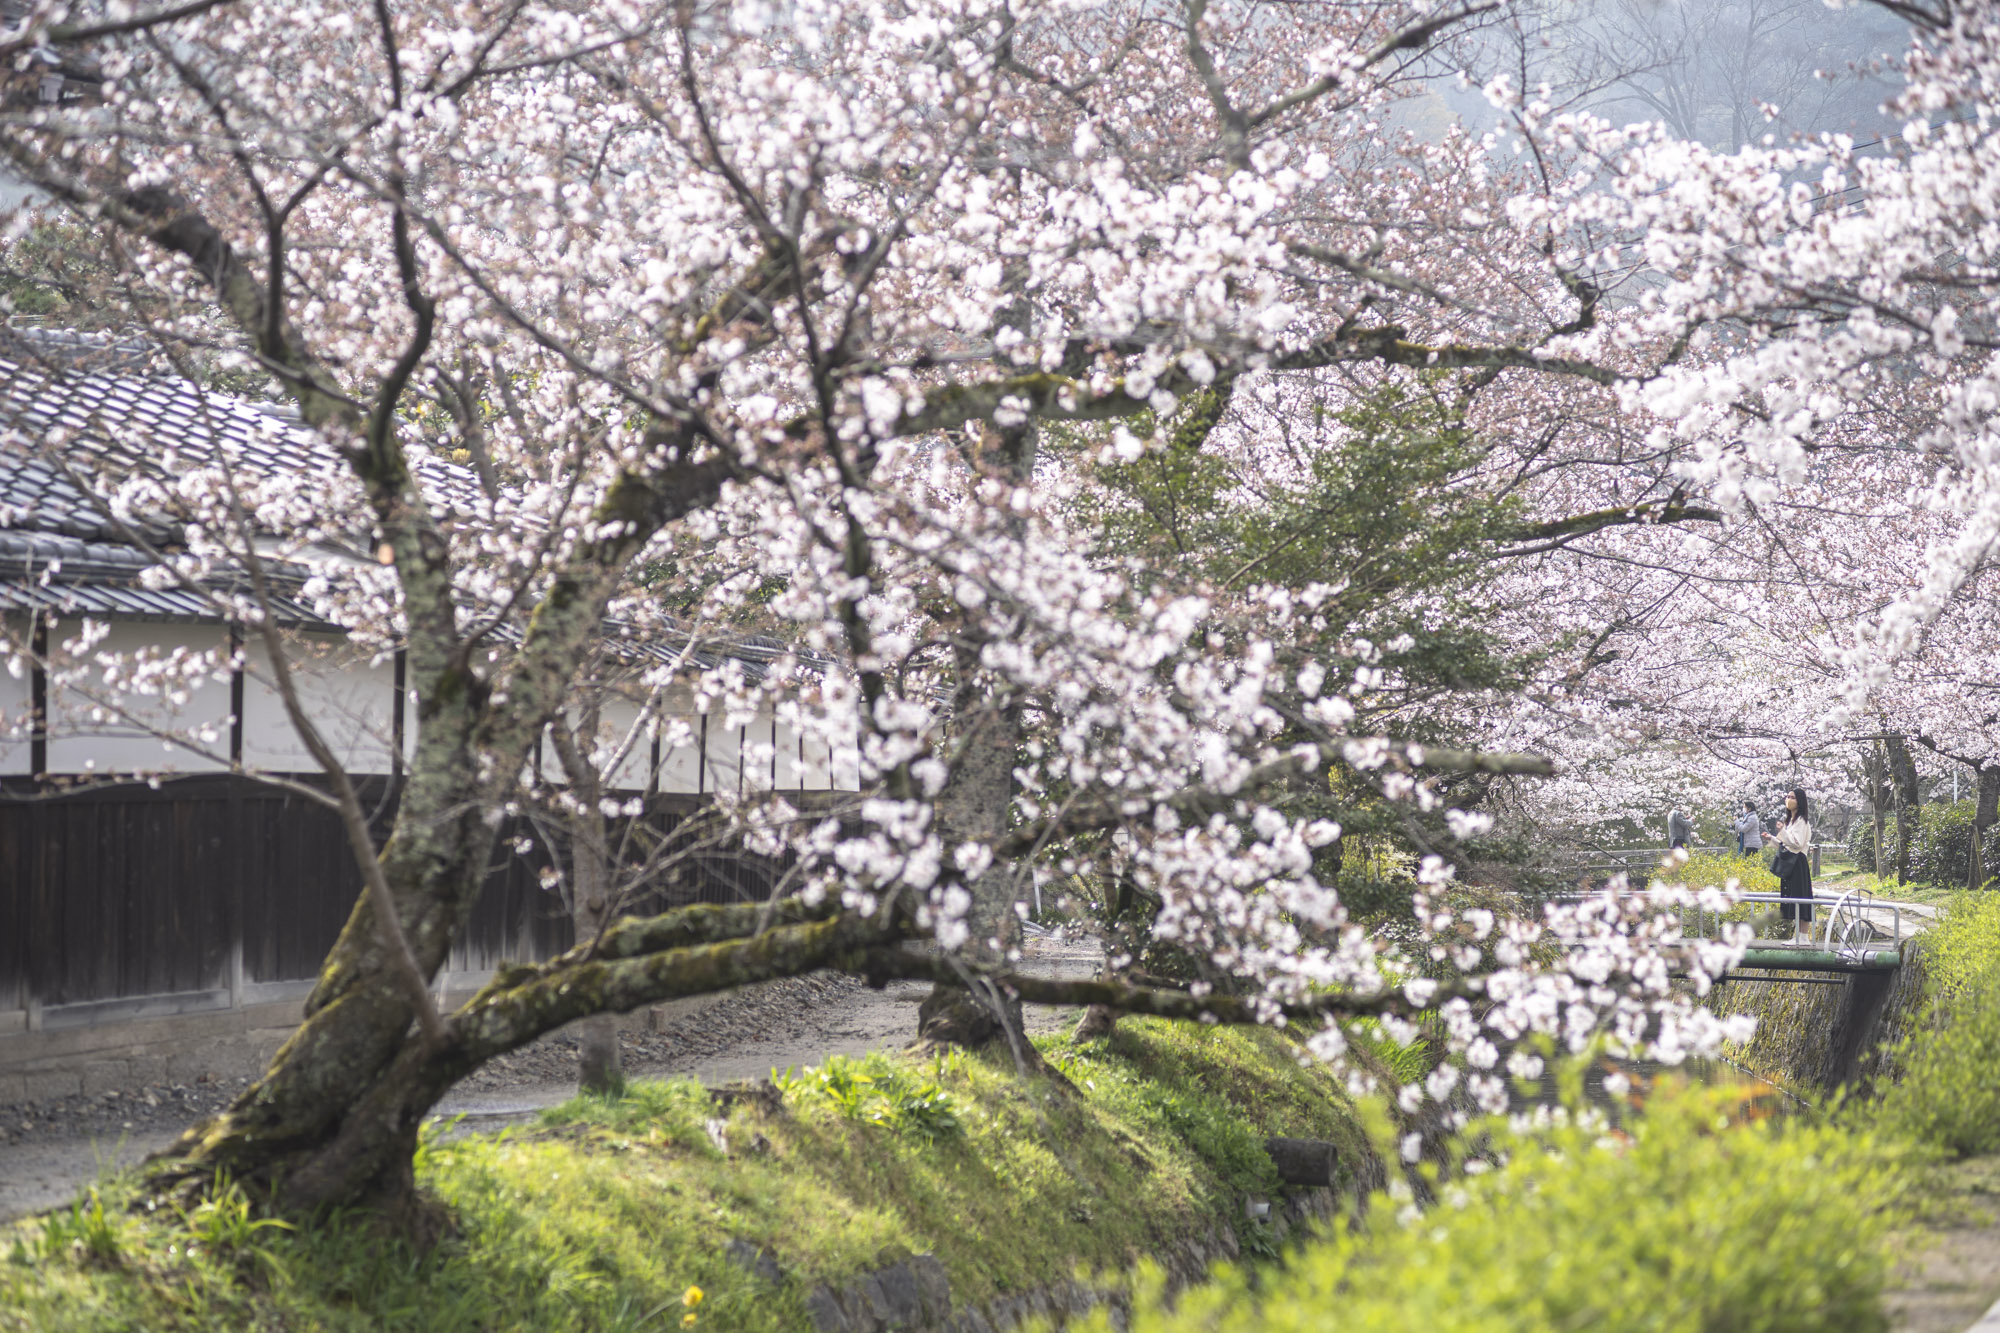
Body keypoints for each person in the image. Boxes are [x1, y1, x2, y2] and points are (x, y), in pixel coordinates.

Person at [1770, 787, 1814, 942]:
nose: (1788, 799)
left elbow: (1796, 843)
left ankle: (1803, 937)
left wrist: (1783, 832)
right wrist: (1771, 838)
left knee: (1800, 896)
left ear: (1800, 801)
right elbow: (1785, 844)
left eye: (1792, 797)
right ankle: (1800, 936)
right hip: (1790, 861)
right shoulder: (1790, 821)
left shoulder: (1802, 821)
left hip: (1797, 862)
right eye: (1787, 796)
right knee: (1793, 895)